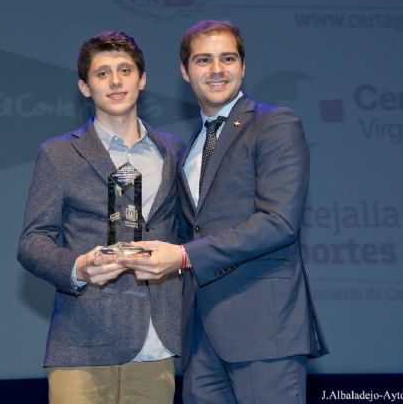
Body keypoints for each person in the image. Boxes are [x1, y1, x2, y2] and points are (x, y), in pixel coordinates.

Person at [121, 20, 328, 403]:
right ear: (185, 71)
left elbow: (279, 222)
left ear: (243, 67)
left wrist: (184, 256)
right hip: (200, 335)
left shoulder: (275, 124)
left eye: (227, 58)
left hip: (263, 330)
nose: (217, 70)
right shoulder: (189, 146)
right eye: (203, 60)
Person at [17, 31, 184, 404]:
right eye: (102, 73)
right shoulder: (59, 154)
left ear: (142, 79)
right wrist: (78, 267)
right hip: (83, 340)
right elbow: (32, 243)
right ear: (84, 86)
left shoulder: (174, 151)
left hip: (156, 342)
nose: (115, 81)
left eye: (125, 70)